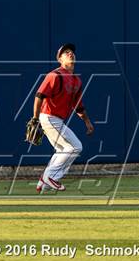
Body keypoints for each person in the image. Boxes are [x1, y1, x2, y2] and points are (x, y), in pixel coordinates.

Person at [33, 43, 94, 192]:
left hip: (57, 120)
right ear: (60, 59)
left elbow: (78, 106)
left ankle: (44, 180)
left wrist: (87, 122)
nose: (70, 53)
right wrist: (35, 118)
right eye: (66, 52)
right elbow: (39, 96)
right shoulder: (55, 75)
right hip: (48, 117)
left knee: (62, 150)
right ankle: (51, 177)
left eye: (71, 52)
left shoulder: (76, 81)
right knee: (75, 147)